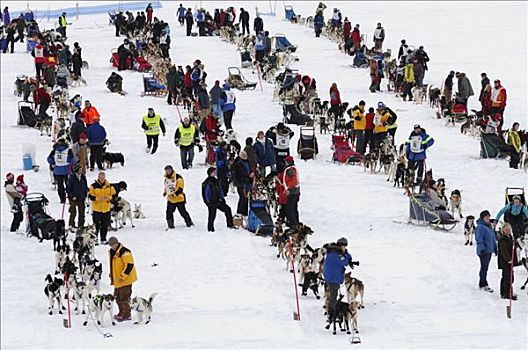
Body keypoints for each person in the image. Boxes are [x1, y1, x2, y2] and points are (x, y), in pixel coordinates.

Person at [323, 237, 353, 323]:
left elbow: (347, 258)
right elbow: (345, 262)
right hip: (333, 277)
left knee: (333, 295)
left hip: (333, 276)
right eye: (343, 246)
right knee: (333, 296)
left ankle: (333, 312)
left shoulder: (334, 252)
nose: (344, 248)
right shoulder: (335, 254)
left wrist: (346, 254)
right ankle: (332, 314)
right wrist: (345, 255)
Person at [108, 236, 137, 322]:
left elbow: (129, 265)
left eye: (114, 245)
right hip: (117, 280)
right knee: (117, 297)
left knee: (124, 297)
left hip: (125, 280)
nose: (112, 247)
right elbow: (114, 265)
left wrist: (123, 276)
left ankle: (127, 315)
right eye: (111, 245)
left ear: (117, 243)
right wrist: (112, 274)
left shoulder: (125, 252)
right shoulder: (112, 252)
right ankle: (121, 312)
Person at [201, 167, 234, 232]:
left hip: (218, 200)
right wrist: (207, 202)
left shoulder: (216, 181)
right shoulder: (207, 182)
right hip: (212, 202)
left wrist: (222, 198)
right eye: (214, 172)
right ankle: (210, 229)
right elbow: (205, 194)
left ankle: (230, 224)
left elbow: (220, 190)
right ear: (210, 173)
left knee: (227, 209)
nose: (215, 173)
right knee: (212, 215)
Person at [89, 172, 116, 244]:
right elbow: (91, 197)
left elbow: (114, 195)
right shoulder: (93, 186)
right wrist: (98, 199)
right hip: (96, 209)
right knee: (96, 225)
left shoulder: (109, 186)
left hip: (106, 209)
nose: (102, 179)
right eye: (101, 178)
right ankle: (95, 239)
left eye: (103, 178)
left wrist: (109, 197)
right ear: (98, 177)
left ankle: (103, 239)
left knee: (105, 225)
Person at [47, 137, 75, 204]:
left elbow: (49, 159)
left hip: (57, 171)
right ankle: (70, 198)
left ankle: (62, 199)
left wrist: (53, 162)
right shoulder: (68, 150)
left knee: (60, 186)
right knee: (69, 185)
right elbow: (73, 160)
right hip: (67, 170)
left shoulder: (54, 150)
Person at [475, 210, 497, 293]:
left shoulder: (488, 226)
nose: (488, 218)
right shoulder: (481, 227)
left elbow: (493, 238)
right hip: (484, 251)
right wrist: (482, 249)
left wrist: (495, 248)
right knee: (484, 267)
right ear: (482, 218)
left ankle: (483, 282)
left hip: (489, 250)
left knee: (485, 267)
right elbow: (478, 239)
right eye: (486, 217)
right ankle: (483, 284)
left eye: (489, 217)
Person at [497, 223, 518, 300]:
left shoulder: (509, 237)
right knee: (508, 278)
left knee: (506, 277)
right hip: (506, 262)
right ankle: (508, 294)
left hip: (509, 261)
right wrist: (509, 259)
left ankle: (503, 292)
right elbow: (504, 251)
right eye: (506, 229)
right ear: (503, 230)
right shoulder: (503, 239)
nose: (508, 231)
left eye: (509, 229)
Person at [231, 151, 253, 217]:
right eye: (243, 156)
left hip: (248, 183)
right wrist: (248, 177)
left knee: (246, 198)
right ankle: (240, 211)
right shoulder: (237, 164)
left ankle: (244, 212)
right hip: (241, 184)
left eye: (245, 155)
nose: (245, 157)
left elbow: (250, 169)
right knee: (242, 197)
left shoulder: (248, 162)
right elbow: (237, 176)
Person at [66, 163, 88, 230]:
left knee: (82, 213)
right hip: (73, 198)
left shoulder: (83, 177)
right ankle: (71, 225)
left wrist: (85, 194)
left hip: (81, 197)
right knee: (73, 212)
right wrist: (72, 196)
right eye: (80, 169)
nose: (81, 170)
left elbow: (85, 186)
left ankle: (81, 225)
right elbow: (68, 188)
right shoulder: (71, 178)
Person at [282, 156, 300, 228]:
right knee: (294, 208)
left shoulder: (290, 170)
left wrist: (288, 189)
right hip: (295, 191)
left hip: (292, 192)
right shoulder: (293, 169)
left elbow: (293, 181)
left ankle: (293, 225)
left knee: (290, 209)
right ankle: (296, 222)